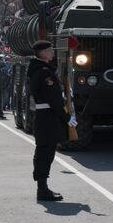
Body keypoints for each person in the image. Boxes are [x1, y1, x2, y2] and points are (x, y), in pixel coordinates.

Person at [28, 40, 77, 201]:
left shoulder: (41, 70)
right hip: (47, 118)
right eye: (49, 50)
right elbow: (53, 100)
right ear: (42, 53)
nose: (52, 52)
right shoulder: (44, 73)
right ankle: (42, 190)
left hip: (45, 117)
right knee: (45, 153)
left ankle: (42, 188)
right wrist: (67, 117)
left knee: (45, 152)